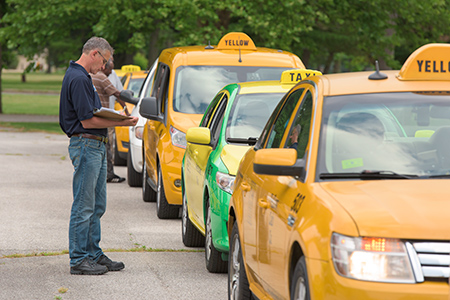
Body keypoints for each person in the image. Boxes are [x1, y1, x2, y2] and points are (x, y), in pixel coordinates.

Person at [59, 36, 138, 275]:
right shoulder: (79, 77)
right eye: (103, 61)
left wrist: (116, 120)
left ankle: (93, 253)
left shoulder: (85, 77)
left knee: (97, 205)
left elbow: (92, 114)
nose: (103, 67)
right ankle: (79, 259)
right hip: (86, 145)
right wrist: (123, 123)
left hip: (96, 145)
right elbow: (87, 120)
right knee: (83, 205)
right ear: (94, 53)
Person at [91, 58, 128, 183]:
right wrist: (126, 109)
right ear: (103, 67)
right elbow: (117, 93)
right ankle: (108, 173)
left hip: (98, 116)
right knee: (107, 146)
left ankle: (104, 172)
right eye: (109, 69)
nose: (111, 72)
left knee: (102, 146)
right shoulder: (101, 77)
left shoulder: (92, 75)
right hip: (105, 117)